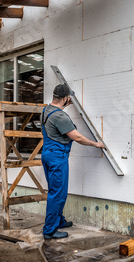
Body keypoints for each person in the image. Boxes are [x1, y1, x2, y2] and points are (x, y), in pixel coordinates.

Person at [41, 84, 105, 239]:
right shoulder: (60, 116)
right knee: (58, 194)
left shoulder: (46, 110)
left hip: (48, 154)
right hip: (57, 157)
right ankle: (49, 230)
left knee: (56, 191)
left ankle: (58, 220)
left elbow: (56, 119)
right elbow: (77, 137)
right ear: (65, 98)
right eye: (68, 98)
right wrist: (96, 144)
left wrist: (64, 104)